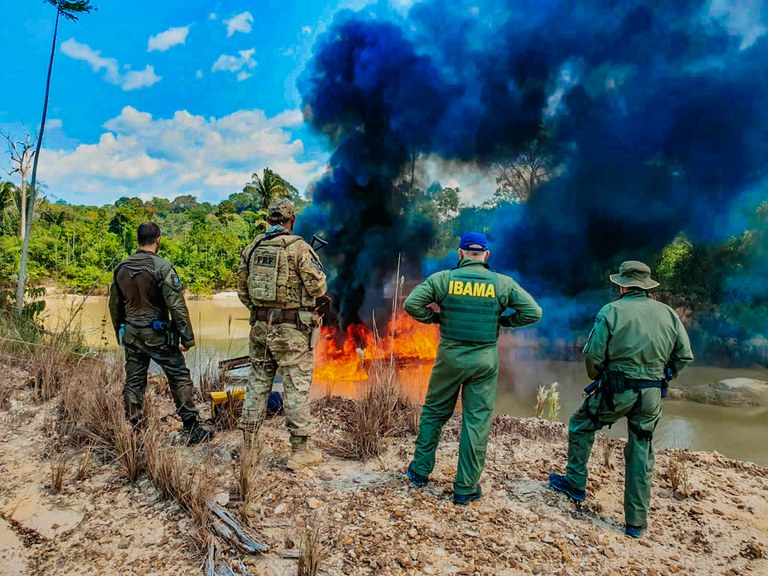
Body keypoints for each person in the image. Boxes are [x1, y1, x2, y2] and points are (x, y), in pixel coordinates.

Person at [548, 260, 693, 538]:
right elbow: (684, 356)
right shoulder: (668, 314)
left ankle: (575, 484)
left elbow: (592, 356)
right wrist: (664, 376)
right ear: (648, 286)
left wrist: (597, 375)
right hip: (651, 395)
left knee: (581, 423)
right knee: (641, 449)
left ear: (622, 285)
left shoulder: (611, 311)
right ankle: (635, 524)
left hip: (616, 391)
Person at [403, 232, 542, 504]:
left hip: (450, 357)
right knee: (476, 421)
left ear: (460, 253)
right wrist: (503, 322)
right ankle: (465, 488)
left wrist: (434, 318)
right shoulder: (502, 283)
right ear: (486, 255)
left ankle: (420, 472)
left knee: (433, 413)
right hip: (484, 361)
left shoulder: (444, 279)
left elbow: (411, 304)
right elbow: (533, 312)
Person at [237, 198, 327, 470]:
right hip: (291, 332)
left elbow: (243, 290)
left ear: (268, 220)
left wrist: (263, 311)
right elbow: (318, 288)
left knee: (257, 383)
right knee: (295, 387)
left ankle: (249, 447)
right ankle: (300, 450)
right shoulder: (300, 247)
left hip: (261, 329)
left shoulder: (252, 249)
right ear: (292, 220)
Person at [108, 222, 214, 445]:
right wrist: (187, 337)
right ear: (158, 239)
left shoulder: (122, 268)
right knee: (179, 374)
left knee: (135, 380)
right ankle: (192, 427)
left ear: (137, 240)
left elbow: (114, 305)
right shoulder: (162, 267)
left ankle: (134, 428)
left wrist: (120, 331)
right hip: (156, 334)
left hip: (132, 334)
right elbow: (176, 306)